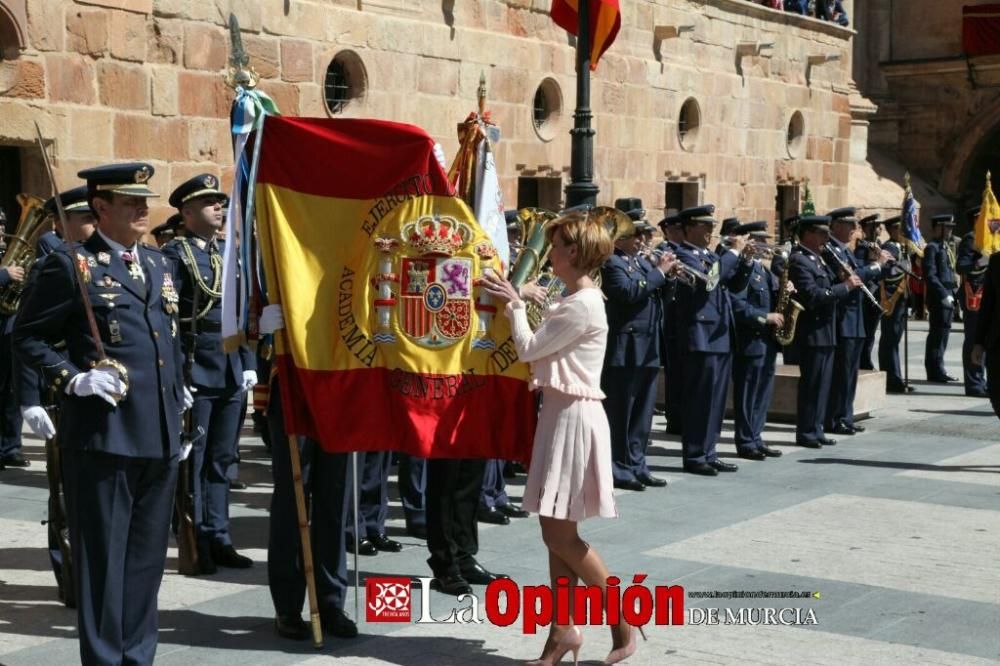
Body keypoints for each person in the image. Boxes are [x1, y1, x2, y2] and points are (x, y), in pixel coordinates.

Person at [15, 162, 188, 664]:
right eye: (129, 201)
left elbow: (169, 341)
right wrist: (72, 378)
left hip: (158, 435)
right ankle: (106, 659)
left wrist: (181, 399)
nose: (142, 207)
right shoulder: (71, 265)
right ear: (101, 208)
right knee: (103, 563)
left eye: (144, 200)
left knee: (146, 563)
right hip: (104, 435)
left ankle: (138, 656)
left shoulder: (158, 264)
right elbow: (27, 336)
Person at [482, 210, 643, 665]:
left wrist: (516, 305)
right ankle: (562, 633)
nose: (548, 253)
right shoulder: (576, 297)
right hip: (561, 412)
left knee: (559, 534)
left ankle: (621, 620)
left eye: (555, 247)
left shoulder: (583, 303)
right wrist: (526, 298)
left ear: (574, 252)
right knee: (556, 530)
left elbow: (531, 349)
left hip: (573, 417)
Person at [162, 174, 256, 574]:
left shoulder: (229, 253)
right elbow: (168, 321)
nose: (218, 208)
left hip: (231, 371)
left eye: (219, 202)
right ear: (186, 213)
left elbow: (240, 315)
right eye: (208, 203)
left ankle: (220, 536)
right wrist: (176, 378)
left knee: (222, 460)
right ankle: (197, 537)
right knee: (194, 464)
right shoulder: (175, 255)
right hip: (196, 371)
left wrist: (249, 364)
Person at [16, 186, 97, 607]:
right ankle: (69, 576)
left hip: (98, 391)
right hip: (59, 390)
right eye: (85, 217)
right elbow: (25, 335)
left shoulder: (105, 262)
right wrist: (28, 399)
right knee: (64, 492)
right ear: (62, 222)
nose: (91, 224)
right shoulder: (51, 265)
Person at [672, 205, 752, 475]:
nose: (711, 231)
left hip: (719, 335)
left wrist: (747, 261)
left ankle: (709, 451)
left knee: (716, 401)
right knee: (699, 399)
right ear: (688, 228)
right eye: (705, 226)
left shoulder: (709, 254)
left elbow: (733, 284)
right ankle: (695, 455)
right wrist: (732, 253)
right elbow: (709, 282)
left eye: (711, 226)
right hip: (700, 337)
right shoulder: (682, 254)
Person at [600, 204, 676, 490]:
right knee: (622, 411)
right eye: (638, 235)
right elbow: (629, 293)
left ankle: (637, 463)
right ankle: (619, 468)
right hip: (626, 347)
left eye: (645, 235)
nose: (643, 241)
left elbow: (660, 296)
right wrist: (659, 273)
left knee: (643, 412)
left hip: (648, 345)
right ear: (619, 238)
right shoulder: (612, 263)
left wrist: (669, 278)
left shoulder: (641, 263)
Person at [787, 215, 862, 448]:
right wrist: (845, 286)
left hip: (827, 331)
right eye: (821, 233)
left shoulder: (819, 260)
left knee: (823, 385)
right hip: (813, 331)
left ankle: (817, 428)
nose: (825, 239)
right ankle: (807, 431)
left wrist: (842, 278)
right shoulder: (800, 260)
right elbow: (814, 296)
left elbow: (829, 288)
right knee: (812, 384)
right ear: (808, 234)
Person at [822, 207, 889, 435]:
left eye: (854, 225)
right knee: (842, 373)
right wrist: (875, 265)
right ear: (836, 225)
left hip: (855, 319)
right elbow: (854, 276)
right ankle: (835, 417)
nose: (854, 229)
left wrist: (875, 266)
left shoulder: (845, 251)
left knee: (850, 373)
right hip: (843, 320)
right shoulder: (830, 250)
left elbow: (858, 274)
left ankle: (845, 416)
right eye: (849, 224)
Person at [730, 222, 785, 460]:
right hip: (750, 339)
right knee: (748, 392)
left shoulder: (765, 270)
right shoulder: (743, 269)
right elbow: (737, 305)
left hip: (768, 341)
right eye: (760, 241)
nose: (765, 246)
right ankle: (745, 441)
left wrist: (786, 288)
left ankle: (756, 436)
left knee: (763, 392)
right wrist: (765, 317)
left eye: (765, 241)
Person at [655, 214, 686, 435]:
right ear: (669, 231)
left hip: (681, 320)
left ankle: (679, 416)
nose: (681, 234)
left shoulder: (683, 252)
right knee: (674, 374)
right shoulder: (663, 251)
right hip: (670, 321)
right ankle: (674, 417)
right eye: (677, 230)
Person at [956, 207, 989, 397]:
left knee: (986, 340)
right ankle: (974, 383)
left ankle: (982, 380)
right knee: (974, 339)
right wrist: (979, 263)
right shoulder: (971, 238)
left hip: (988, 295)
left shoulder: (993, 238)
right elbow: (961, 266)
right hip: (974, 295)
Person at [877, 217, 913, 393]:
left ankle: (896, 376)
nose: (904, 233)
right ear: (892, 230)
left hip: (901, 300)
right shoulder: (889, 247)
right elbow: (888, 275)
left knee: (895, 339)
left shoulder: (902, 247)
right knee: (890, 339)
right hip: (891, 299)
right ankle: (891, 378)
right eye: (900, 229)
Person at [923, 214, 960, 382]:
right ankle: (935, 370)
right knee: (938, 335)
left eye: (951, 227)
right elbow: (930, 275)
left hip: (948, 295)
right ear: (938, 227)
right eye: (948, 227)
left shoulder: (944, 246)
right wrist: (943, 293)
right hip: (939, 297)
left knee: (943, 335)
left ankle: (939, 368)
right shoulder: (932, 247)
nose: (950, 230)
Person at [972, 249, 1000, 418]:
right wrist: (978, 342)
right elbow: (987, 305)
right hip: (997, 344)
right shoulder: (996, 262)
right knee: (996, 395)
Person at [856, 214, 882, 371]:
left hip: (877, 293)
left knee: (871, 332)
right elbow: (860, 269)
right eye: (876, 226)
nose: (879, 229)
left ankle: (866, 360)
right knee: (866, 331)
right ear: (868, 228)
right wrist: (872, 261)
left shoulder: (877, 245)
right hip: (867, 294)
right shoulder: (862, 248)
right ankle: (863, 361)